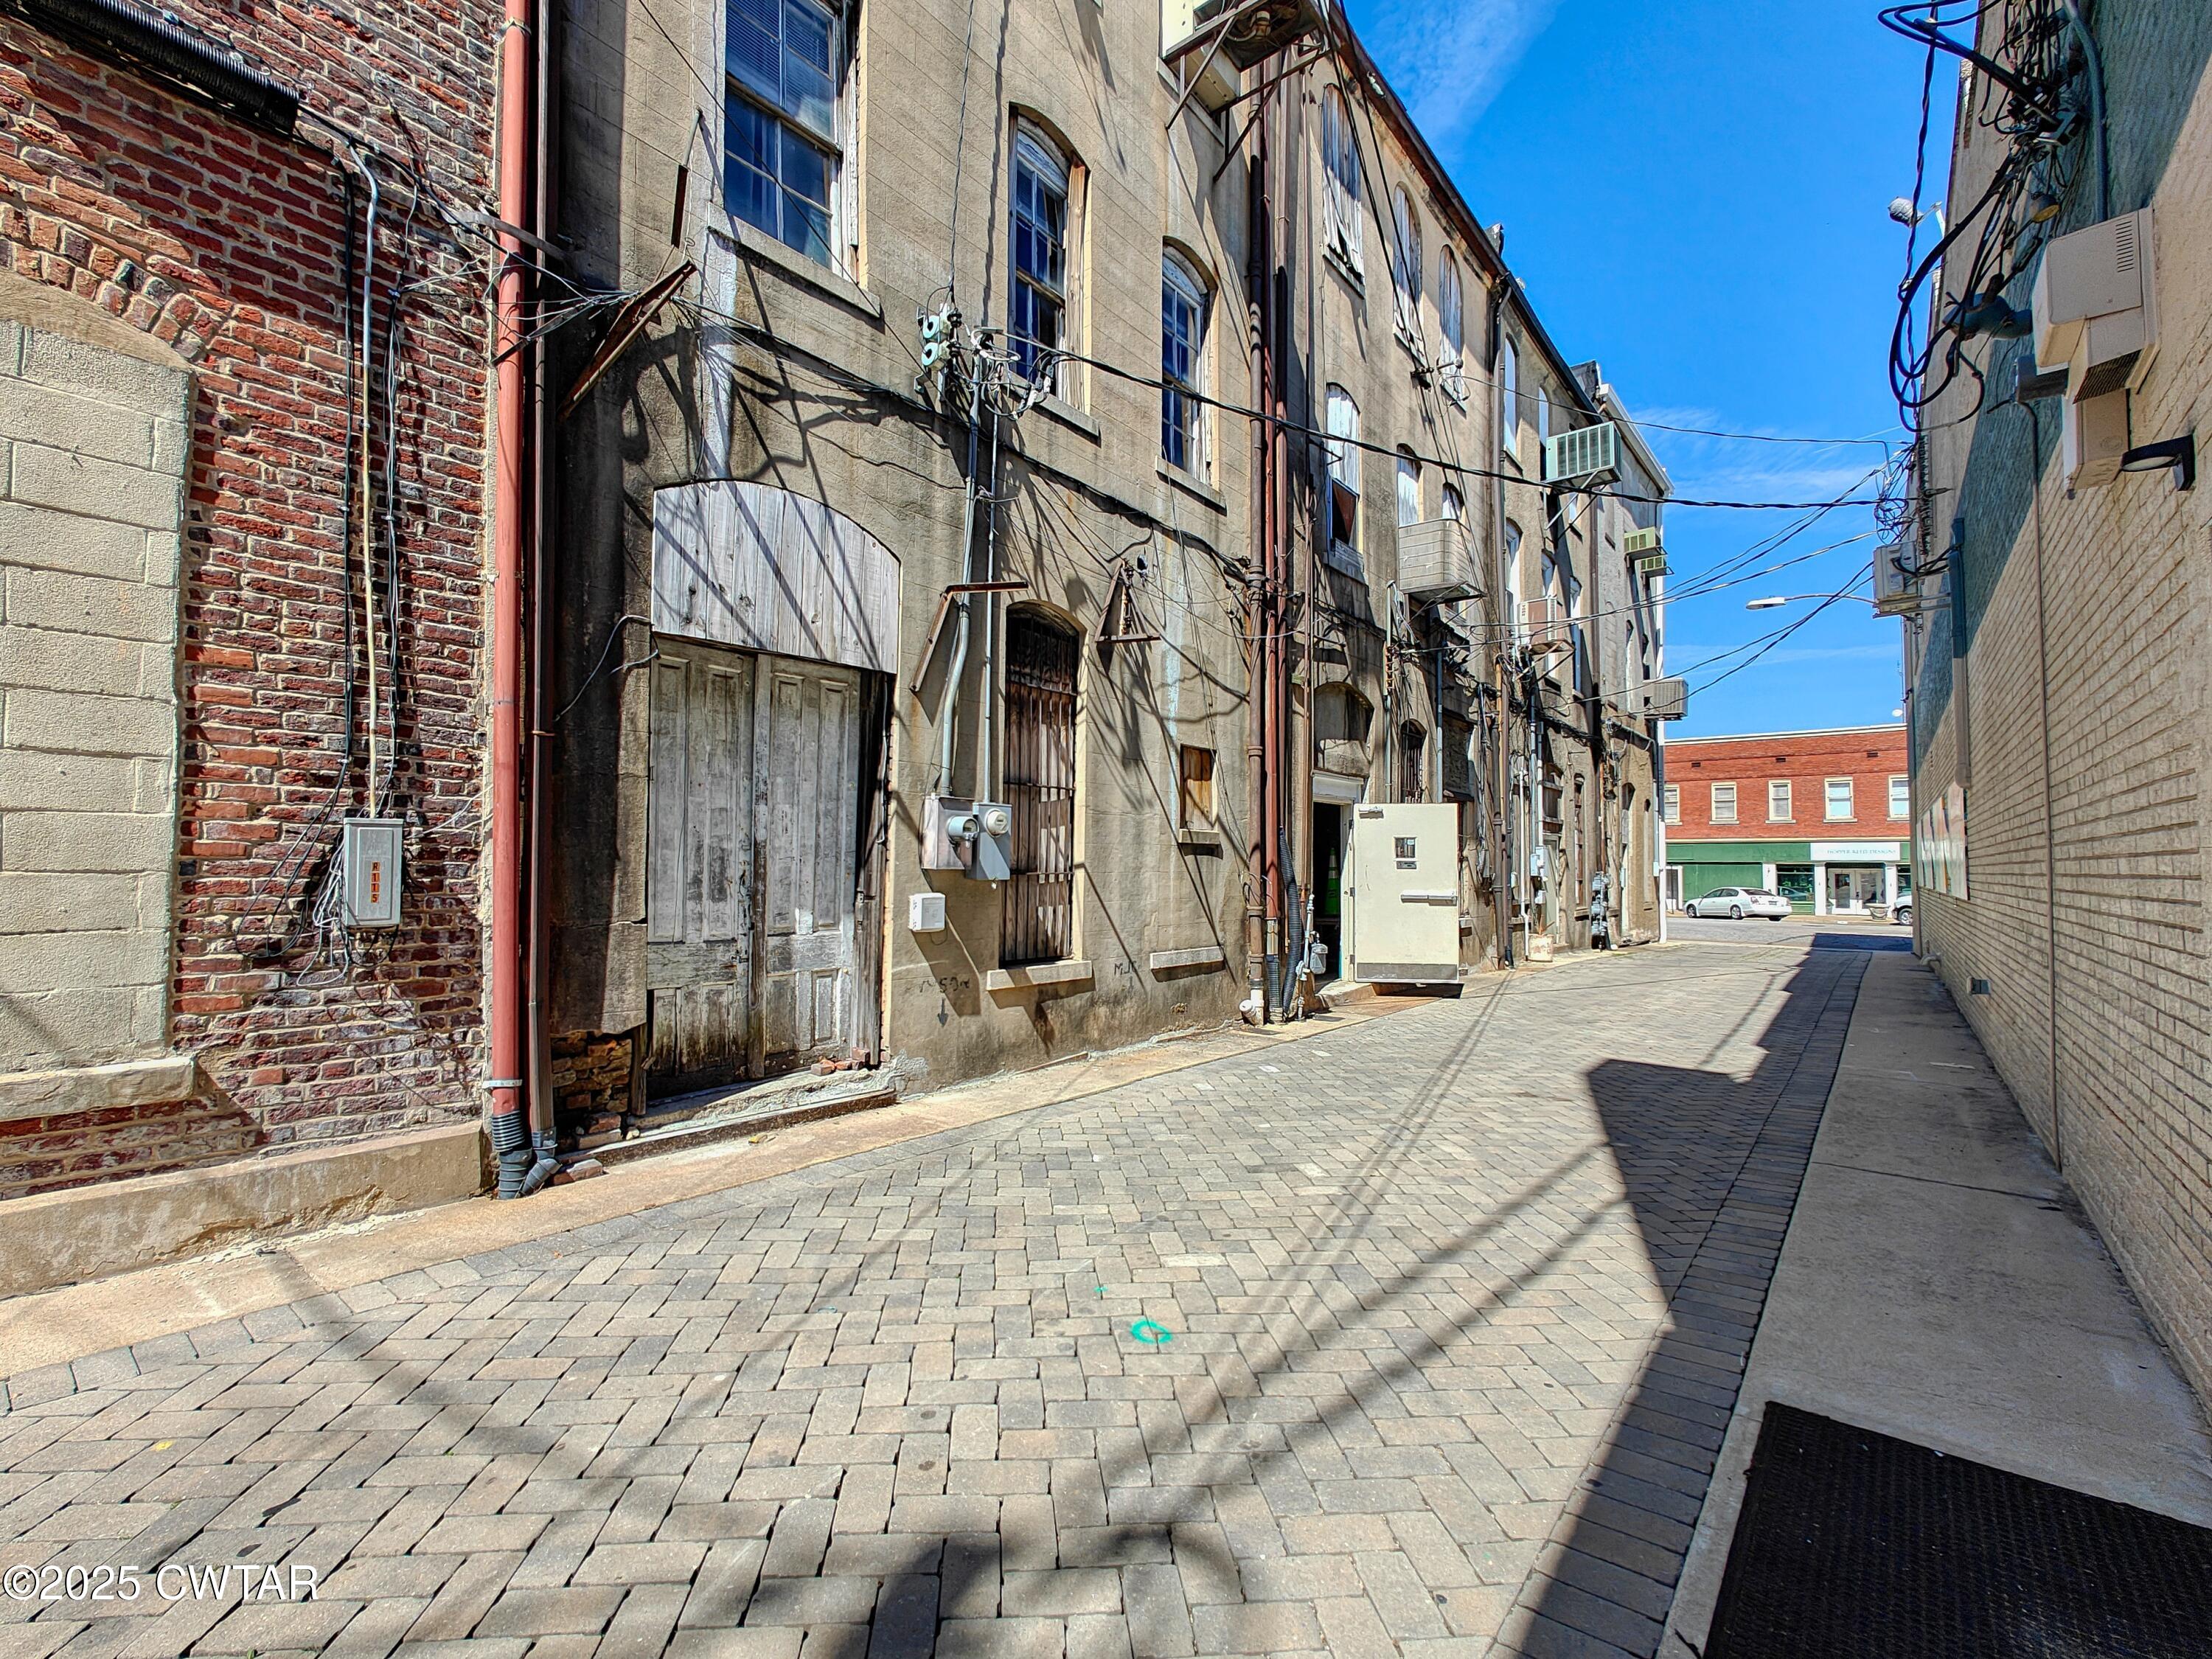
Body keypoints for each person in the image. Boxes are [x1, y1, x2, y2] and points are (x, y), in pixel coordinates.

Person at [1589, 870, 1612, 950]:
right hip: (1598, 910)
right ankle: (1602, 943)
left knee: (1602, 925)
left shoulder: (1602, 888)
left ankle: (1603, 943)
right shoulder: (1597, 886)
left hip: (1599, 910)